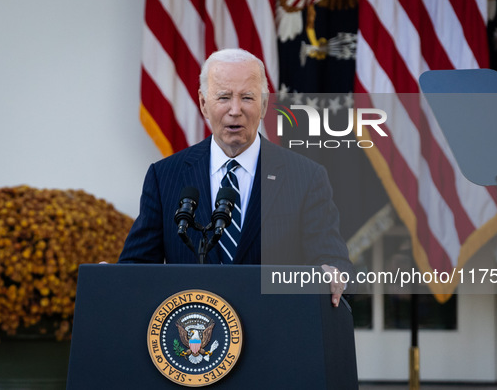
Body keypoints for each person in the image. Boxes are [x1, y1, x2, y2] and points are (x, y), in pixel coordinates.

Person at [119, 48, 353, 307]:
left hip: (275, 336)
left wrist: (333, 272)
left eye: (247, 97)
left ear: (264, 104)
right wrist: (114, 278)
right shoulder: (164, 177)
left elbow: (332, 260)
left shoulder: (306, 177)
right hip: (195, 338)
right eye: (224, 97)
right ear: (203, 104)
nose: (235, 110)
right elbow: (136, 266)